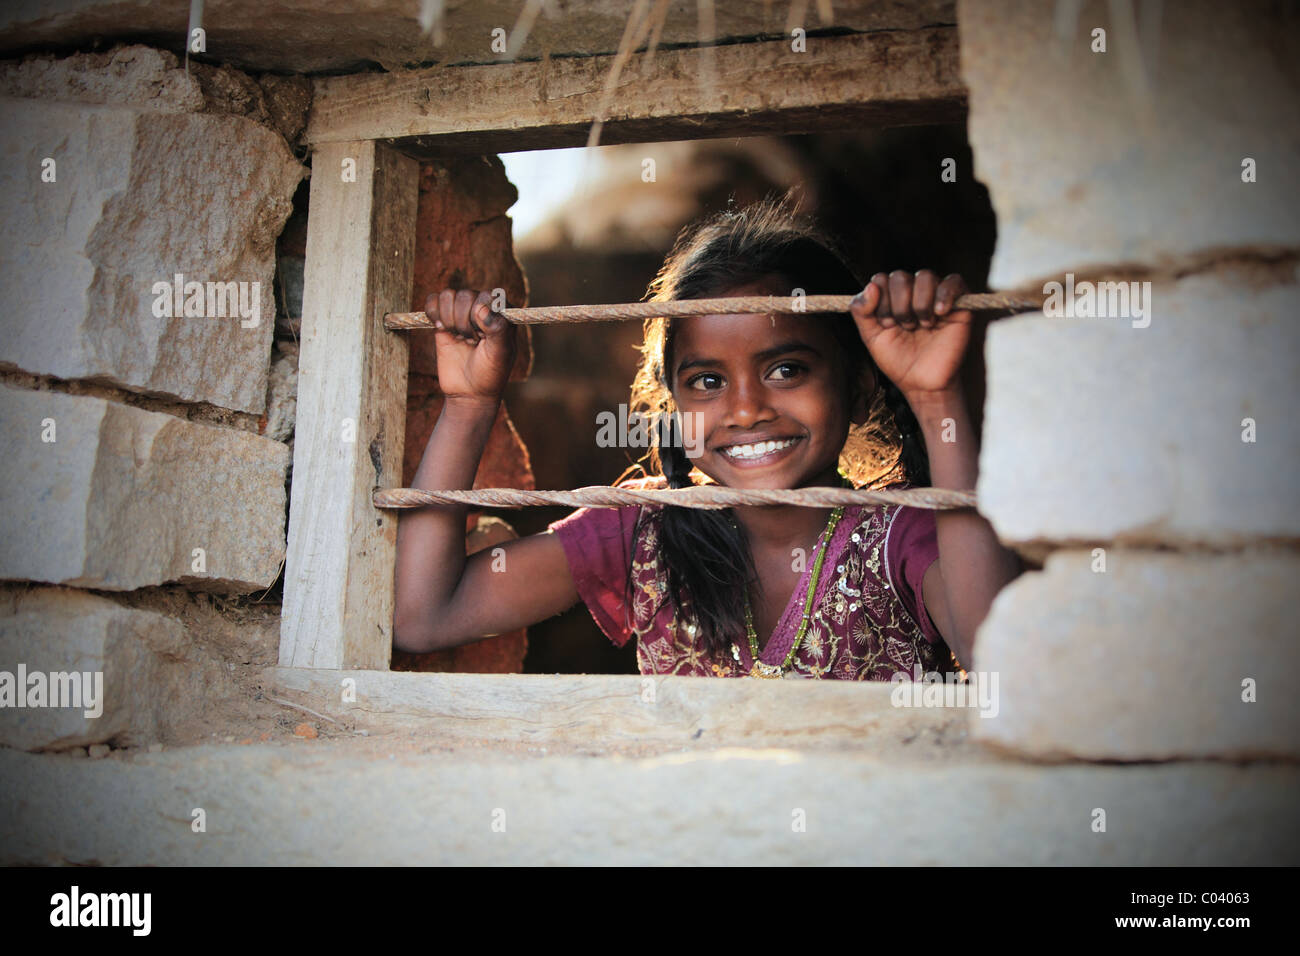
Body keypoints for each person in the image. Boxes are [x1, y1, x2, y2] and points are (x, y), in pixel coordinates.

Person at [393, 196, 1021, 679]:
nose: (745, 409)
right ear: (673, 405)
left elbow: (998, 657)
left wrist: (936, 396)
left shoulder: (904, 536)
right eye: (707, 380)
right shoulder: (642, 531)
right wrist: (469, 403)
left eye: (786, 370)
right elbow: (425, 615)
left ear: (857, 386)